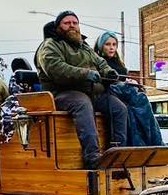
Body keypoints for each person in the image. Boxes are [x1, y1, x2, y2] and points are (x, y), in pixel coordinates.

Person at [34, 11, 128, 169]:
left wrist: (109, 73)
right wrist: (86, 73)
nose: (72, 25)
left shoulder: (84, 46)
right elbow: (55, 69)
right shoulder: (50, 45)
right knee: (82, 103)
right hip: (61, 93)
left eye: (74, 23)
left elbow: (100, 62)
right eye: (67, 23)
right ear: (58, 27)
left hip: (92, 93)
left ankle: (116, 152)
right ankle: (92, 156)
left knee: (119, 108)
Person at [93, 32, 164, 148]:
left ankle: (152, 141)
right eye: (107, 44)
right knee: (136, 102)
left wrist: (132, 83)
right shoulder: (98, 61)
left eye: (114, 44)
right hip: (109, 93)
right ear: (101, 46)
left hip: (125, 95)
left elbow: (124, 78)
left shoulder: (119, 64)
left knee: (141, 100)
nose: (111, 48)